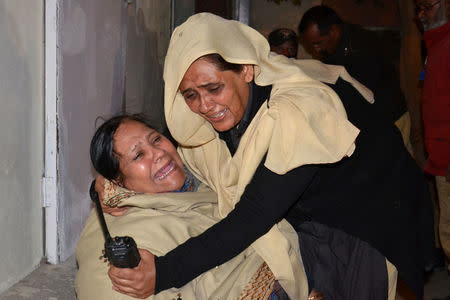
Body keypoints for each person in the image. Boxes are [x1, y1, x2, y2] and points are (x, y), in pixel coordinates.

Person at [105, 13, 436, 300]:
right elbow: (167, 144)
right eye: (191, 95)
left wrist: (163, 271)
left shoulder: (296, 111)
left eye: (213, 89)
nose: (204, 107)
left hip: (364, 216)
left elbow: (254, 215)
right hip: (309, 213)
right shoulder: (226, 106)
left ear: (247, 70)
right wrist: (110, 178)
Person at [76, 114, 318, 299]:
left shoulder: (202, 168)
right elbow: (103, 286)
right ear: (117, 181)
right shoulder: (120, 228)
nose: (159, 153)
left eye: (156, 139)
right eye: (138, 155)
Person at [298, 6, 410, 146]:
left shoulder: (363, 46)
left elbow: (367, 96)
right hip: (371, 123)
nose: (316, 50)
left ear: (333, 31)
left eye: (318, 43)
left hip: (391, 120)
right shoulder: (333, 50)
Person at [415, 0, 450, 272]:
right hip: (439, 157)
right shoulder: (435, 44)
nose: (421, 14)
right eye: (419, 7)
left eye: (428, 6)